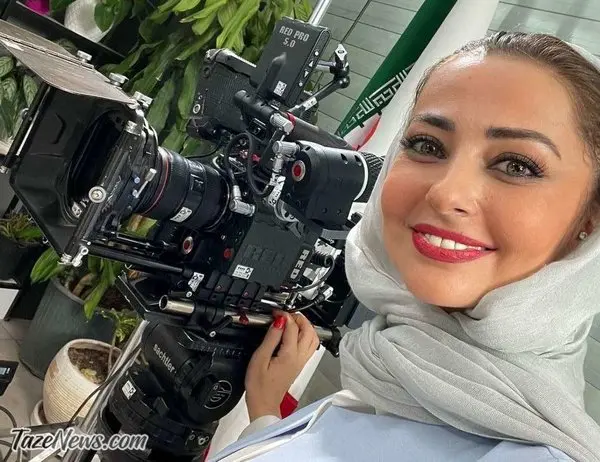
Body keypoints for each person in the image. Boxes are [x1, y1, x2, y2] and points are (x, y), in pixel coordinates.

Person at [208, 31, 600, 462]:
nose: (446, 194)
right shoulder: (393, 374)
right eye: (427, 145)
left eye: (517, 165)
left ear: (591, 217)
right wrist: (266, 415)